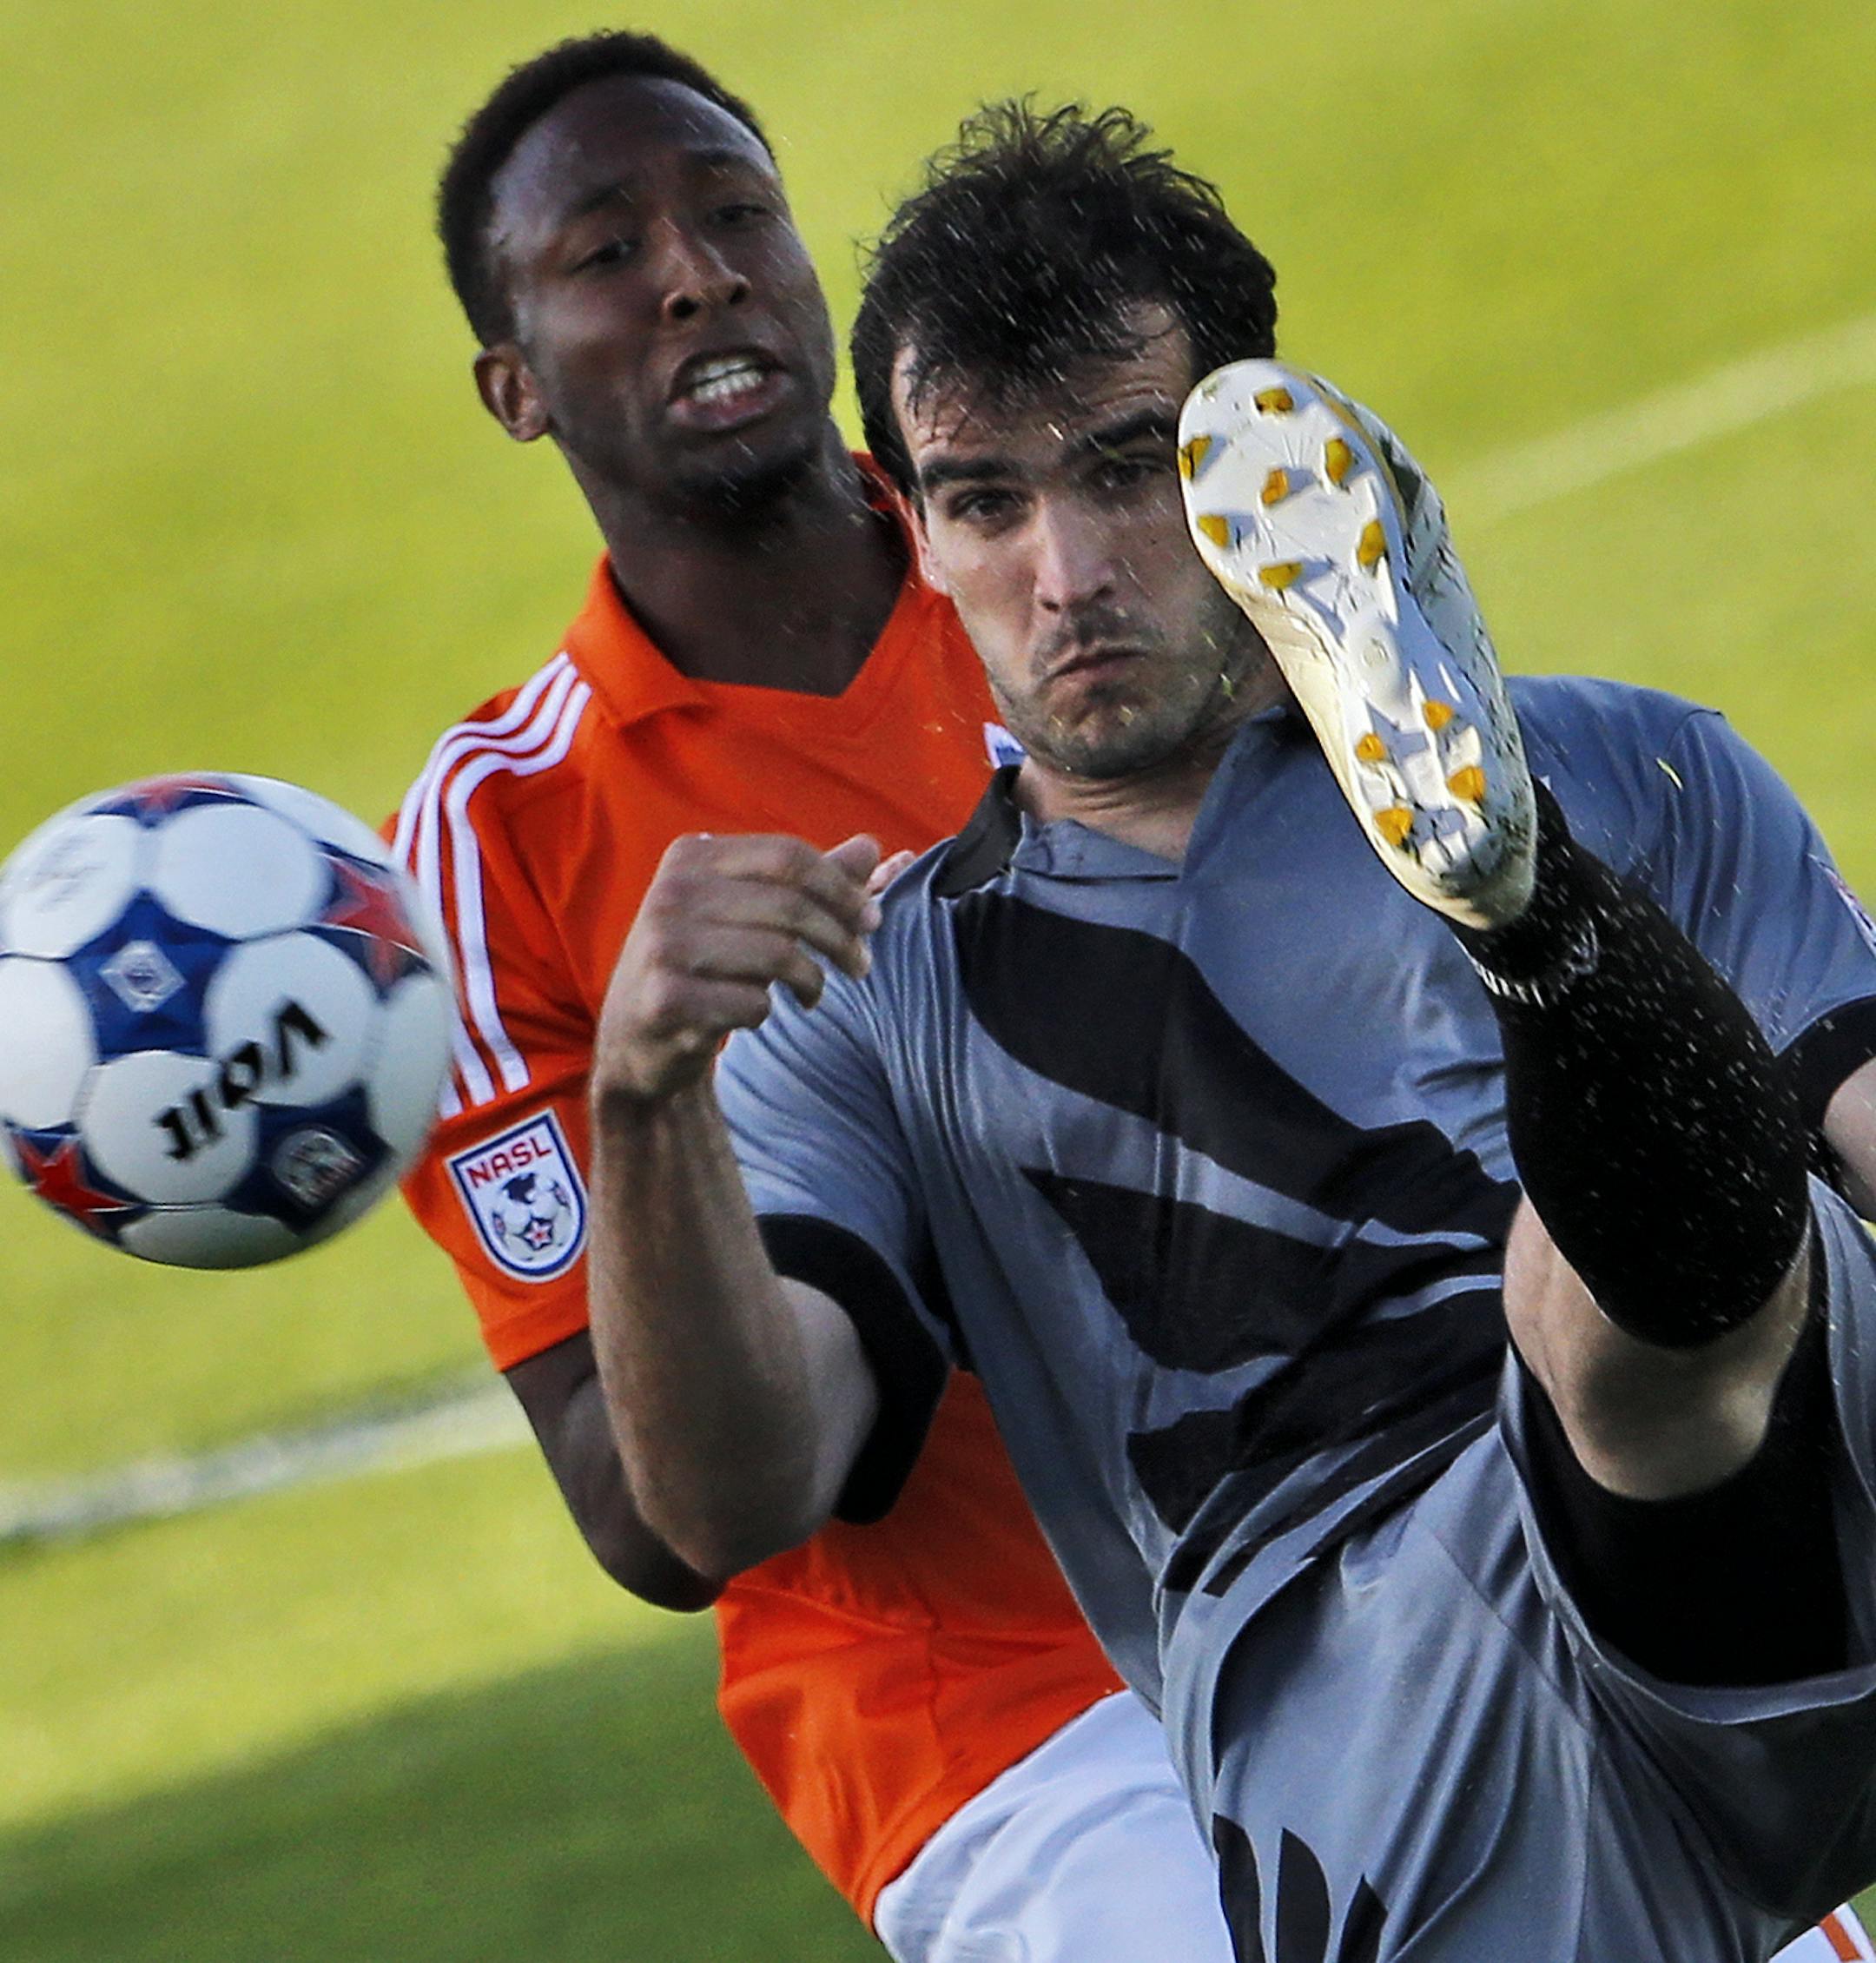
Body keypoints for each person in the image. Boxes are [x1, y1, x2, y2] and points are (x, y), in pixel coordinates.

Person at [585, 100, 1876, 1960]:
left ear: (1253, 457)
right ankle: (1538, 930)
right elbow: (726, 1497)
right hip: (1372, 1706)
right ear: (917, 533)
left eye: (1127, 471)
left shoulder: (1632, 760)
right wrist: (639, 1103)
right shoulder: (870, 994)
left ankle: (1534, 927)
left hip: (1786, 1494)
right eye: (986, 501)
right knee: (1596, 1293)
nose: (1067, 572)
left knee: (1600, 1319)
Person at [393, 36, 1242, 1963]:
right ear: (512, 384)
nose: (695, 270)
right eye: (607, 251)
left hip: (1392, 1525)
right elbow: (653, 1512)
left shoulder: (1067, 554)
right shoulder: (493, 844)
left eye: (733, 210)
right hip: (1015, 1724)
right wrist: (651, 1094)